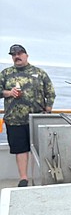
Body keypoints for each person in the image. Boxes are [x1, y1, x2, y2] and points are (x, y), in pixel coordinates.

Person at [0, 44, 55, 187]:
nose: (16, 56)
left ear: (26, 55)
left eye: (19, 53)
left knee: (41, 149)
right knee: (20, 149)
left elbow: (50, 93)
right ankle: (24, 179)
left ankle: (43, 177)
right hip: (15, 120)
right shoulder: (5, 74)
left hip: (37, 119)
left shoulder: (39, 73)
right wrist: (9, 93)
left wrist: (48, 111)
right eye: (13, 54)